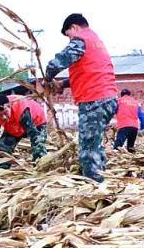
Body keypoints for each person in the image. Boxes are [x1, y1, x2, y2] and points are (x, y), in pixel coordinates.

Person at [42, 13, 118, 183]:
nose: (69, 40)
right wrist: (62, 85)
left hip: (95, 100)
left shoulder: (81, 39)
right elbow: (89, 72)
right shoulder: (94, 41)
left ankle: (93, 186)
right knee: (94, 144)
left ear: (74, 27)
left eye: (68, 35)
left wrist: (47, 79)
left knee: (88, 149)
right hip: (107, 98)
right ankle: (100, 177)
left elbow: (56, 64)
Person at [0, 92, 48, 167]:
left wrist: (38, 154)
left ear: (10, 106)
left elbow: (33, 134)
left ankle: (41, 169)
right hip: (13, 127)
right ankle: (3, 170)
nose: (4, 117)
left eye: (5, 112)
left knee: (39, 148)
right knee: (3, 152)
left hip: (37, 123)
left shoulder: (21, 109)